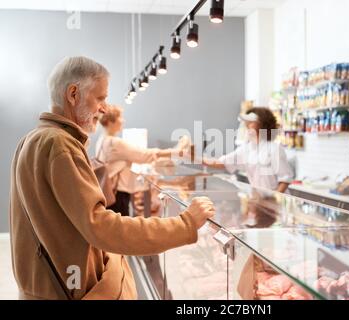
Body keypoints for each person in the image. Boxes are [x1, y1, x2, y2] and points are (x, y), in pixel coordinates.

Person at [9, 56, 215, 300]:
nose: (104, 108)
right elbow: (101, 227)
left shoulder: (33, 139)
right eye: (101, 97)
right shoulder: (59, 144)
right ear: (73, 94)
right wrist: (185, 224)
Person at [95, 105, 189, 216]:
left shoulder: (102, 140)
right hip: (117, 195)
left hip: (110, 192)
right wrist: (175, 151)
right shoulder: (115, 143)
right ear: (110, 121)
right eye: (120, 117)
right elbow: (143, 155)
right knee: (121, 227)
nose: (123, 120)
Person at [202, 107, 294, 193]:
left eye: (251, 122)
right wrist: (192, 157)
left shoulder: (274, 149)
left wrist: (274, 199)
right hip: (259, 200)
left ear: (262, 124)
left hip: (275, 202)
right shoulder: (246, 149)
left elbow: (285, 178)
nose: (247, 125)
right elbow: (222, 162)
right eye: (247, 122)